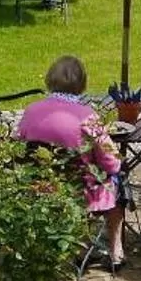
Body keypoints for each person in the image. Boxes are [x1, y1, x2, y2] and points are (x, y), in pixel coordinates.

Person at [16, 54, 126, 270]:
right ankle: (115, 251)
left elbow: (17, 147)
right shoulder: (87, 116)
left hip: (39, 188)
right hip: (79, 192)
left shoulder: (31, 111)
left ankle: (74, 246)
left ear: (50, 80)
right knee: (118, 179)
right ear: (81, 84)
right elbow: (111, 162)